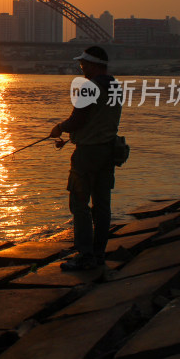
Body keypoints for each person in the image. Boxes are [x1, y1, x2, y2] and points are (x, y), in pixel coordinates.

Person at [49, 46, 122, 271]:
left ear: (93, 64)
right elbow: (99, 122)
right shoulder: (116, 87)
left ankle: (85, 255)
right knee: (102, 206)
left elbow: (78, 119)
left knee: (79, 204)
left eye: (83, 64)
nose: (81, 67)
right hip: (108, 151)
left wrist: (60, 128)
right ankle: (98, 254)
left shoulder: (89, 87)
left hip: (87, 155)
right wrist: (74, 137)